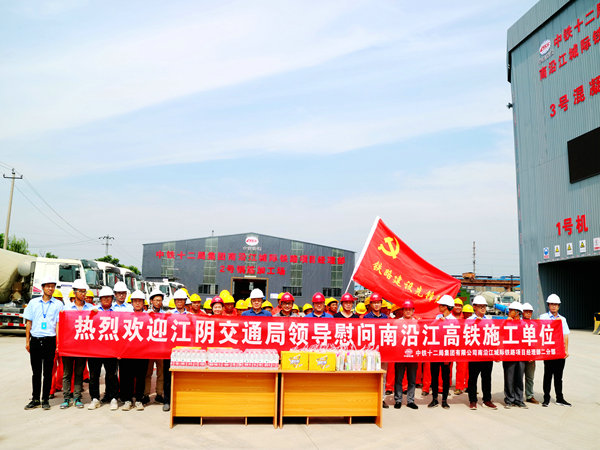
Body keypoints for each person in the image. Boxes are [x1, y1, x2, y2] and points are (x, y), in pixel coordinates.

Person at [23, 277, 64, 410]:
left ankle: (45, 399)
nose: (50, 288)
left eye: (53, 286)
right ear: (43, 288)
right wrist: (27, 341)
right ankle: (35, 399)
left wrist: (58, 343)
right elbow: (28, 322)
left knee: (48, 372)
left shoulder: (58, 304)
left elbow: (58, 325)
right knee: (36, 372)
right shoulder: (33, 303)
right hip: (35, 340)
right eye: (48, 286)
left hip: (50, 341)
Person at [61, 278, 94, 409]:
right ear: (74, 292)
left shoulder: (91, 308)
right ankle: (66, 397)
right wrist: (60, 343)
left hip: (82, 347)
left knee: (79, 373)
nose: (83, 294)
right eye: (80, 291)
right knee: (67, 373)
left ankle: (77, 397)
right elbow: (61, 325)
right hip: (69, 345)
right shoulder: (66, 308)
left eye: (84, 291)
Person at [88, 286, 119, 410]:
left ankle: (113, 397)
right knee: (94, 375)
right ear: (100, 299)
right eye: (103, 297)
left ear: (112, 298)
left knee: (112, 374)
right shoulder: (92, 310)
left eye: (108, 297)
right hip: (95, 349)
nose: (106, 299)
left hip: (111, 349)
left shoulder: (117, 312)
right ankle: (95, 398)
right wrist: (91, 315)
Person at [539, 294, 571, 407]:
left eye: (556, 304)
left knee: (558, 376)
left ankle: (559, 398)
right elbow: (539, 333)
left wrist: (566, 350)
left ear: (559, 306)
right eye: (552, 304)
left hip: (559, 351)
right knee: (547, 375)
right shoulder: (543, 318)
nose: (554, 306)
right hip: (548, 351)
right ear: (548, 305)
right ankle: (546, 398)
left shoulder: (562, 319)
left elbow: (565, 335)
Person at [466, 295, 497, 410]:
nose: (483, 308)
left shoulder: (489, 320)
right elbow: (465, 334)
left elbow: (493, 337)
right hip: (474, 354)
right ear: (474, 307)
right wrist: (475, 323)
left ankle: (487, 400)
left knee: (487, 378)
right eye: (480, 306)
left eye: (484, 306)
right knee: (473, 378)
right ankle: (473, 400)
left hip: (487, 354)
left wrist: (495, 352)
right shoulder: (469, 320)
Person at [120, 290, 149, 411]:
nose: (137, 303)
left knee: (141, 377)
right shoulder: (126, 316)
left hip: (143, 352)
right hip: (128, 352)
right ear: (131, 303)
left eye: (140, 301)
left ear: (143, 303)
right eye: (135, 301)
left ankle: (138, 400)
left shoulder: (149, 317)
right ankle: (127, 400)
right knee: (128, 377)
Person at [428, 295, 456, 409]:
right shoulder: (438, 317)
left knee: (445, 377)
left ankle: (444, 400)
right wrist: (438, 321)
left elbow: (455, 336)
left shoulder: (454, 320)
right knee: (434, 376)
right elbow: (430, 329)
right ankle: (434, 399)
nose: (439, 307)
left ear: (446, 307)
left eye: (441, 305)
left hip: (446, 353)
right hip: (435, 351)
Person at [394, 300, 419, 410]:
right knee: (399, 378)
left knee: (412, 379)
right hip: (400, 354)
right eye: (406, 309)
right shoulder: (397, 322)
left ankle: (410, 400)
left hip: (413, 355)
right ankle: (398, 400)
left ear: (413, 311)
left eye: (410, 309)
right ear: (402, 311)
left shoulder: (417, 322)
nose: (408, 311)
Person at [143, 289, 166, 406]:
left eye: (160, 300)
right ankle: (146, 394)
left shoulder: (165, 315)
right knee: (147, 373)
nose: (158, 302)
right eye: (156, 300)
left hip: (161, 348)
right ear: (151, 301)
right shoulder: (145, 314)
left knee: (161, 373)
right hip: (149, 349)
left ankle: (159, 394)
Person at [503, 302, 527, 408]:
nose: (509, 312)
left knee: (519, 378)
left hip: (521, 355)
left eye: (511, 310)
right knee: (509, 378)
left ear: (517, 312)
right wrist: (506, 322)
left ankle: (519, 399)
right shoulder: (506, 322)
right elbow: (500, 334)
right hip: (509, 354)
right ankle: (509, 399)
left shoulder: (524, 325)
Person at [521, 302, 538, 404]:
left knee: (530, 377)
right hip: (520, 354)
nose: (528, 313)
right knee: (518, 377)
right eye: (526, 311)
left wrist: (534, 354)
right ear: (522, 312)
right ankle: (517, 396)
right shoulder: (518, 323)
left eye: (530, 311)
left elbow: (537, 341)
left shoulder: (535, 325)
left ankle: (529, 395)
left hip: (531, 355)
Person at [451, 298, 468, 395]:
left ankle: (459, 387)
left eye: (460, 306)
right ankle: (446, 384)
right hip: (450, 344)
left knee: (461, 367)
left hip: (461, 345)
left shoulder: (465, 317)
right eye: (456, 305)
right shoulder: (448, 316)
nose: (458, 307)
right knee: (447, 367)